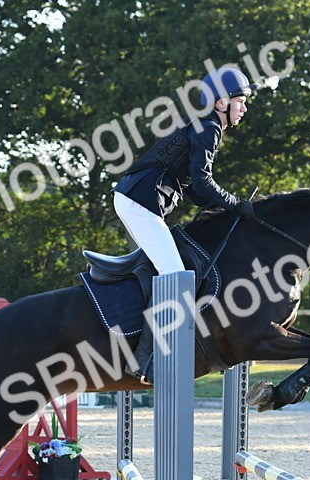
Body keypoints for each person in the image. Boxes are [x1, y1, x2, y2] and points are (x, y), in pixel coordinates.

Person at [112, 65, 257, 384]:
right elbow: (203, 180)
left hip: (137, 199)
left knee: (167, 269)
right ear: (221, 102)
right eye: (240, 100)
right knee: (177, 278)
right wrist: (235, 204)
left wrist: (220, 209)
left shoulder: (204, 124)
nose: (245, 107)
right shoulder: (209, 127)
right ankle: (143, 358)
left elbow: (191, 185)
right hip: (140, 201)